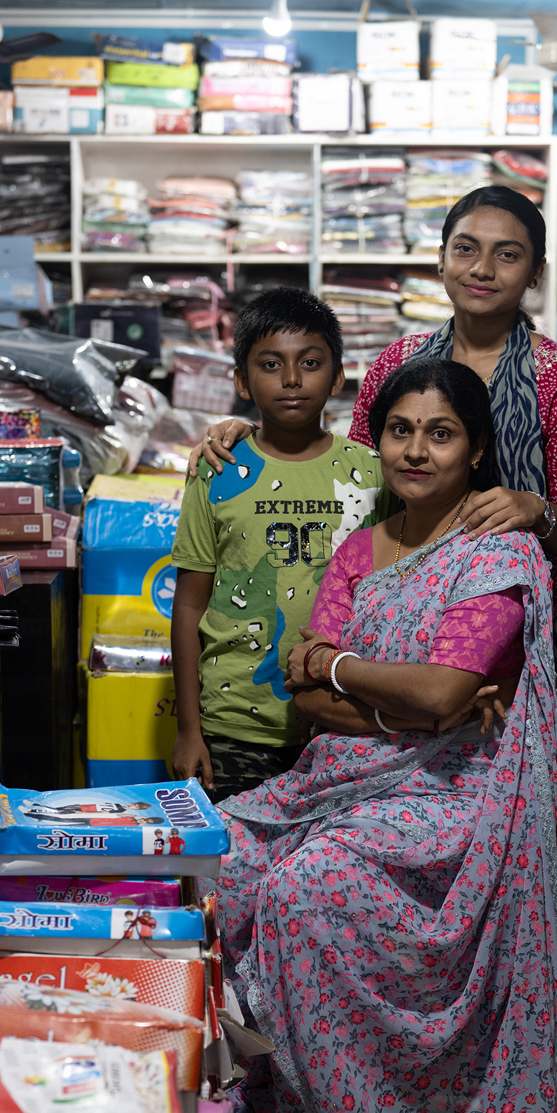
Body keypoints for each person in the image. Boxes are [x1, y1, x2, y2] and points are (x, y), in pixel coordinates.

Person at [214, 358, 557, 1113]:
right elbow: (318, 698)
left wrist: (350, 669)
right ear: (379, 439)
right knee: (226, 853)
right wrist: (400, 705)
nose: (418, 450)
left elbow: (433, 688)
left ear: (475, 453)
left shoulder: (499, 552)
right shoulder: (360, 551)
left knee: (305, 887)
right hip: (343, 777)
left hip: (453, 796)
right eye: (402, 430)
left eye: (442, 434)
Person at [190, 187, 557, 862]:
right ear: (439, 262)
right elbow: (356, 471)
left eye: (508, 255)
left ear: (535, 272)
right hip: (401, 607)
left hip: (520, 619)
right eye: (465, 249)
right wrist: (253, 434)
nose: (482, 268)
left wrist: (535, 510)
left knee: (506, 825)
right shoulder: (398, 363)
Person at [170, 288, 389, 802]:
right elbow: (188, 605)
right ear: (242, 382)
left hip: (345, 718)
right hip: (232, 725)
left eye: (310, 363)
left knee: (324, 874)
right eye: (271, 364)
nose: (292, 379)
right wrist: (188, 730)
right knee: (226, 875)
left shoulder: (374, 472)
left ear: (337, 375)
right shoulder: (218, 470)